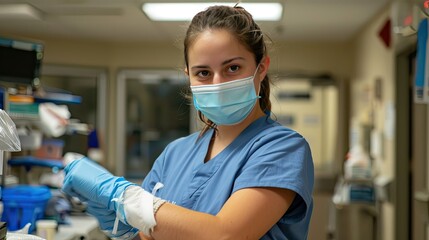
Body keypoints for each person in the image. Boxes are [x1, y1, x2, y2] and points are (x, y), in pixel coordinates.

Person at [62, 4, 314, 240]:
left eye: (233, 68)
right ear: (189, 76)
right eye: (203, 73)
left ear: (261, 68)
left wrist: (124, 197)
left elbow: (225, 234)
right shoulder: (175, 153)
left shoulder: (282, 148)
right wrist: (126, 230)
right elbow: (149, 234)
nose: (218, 83)